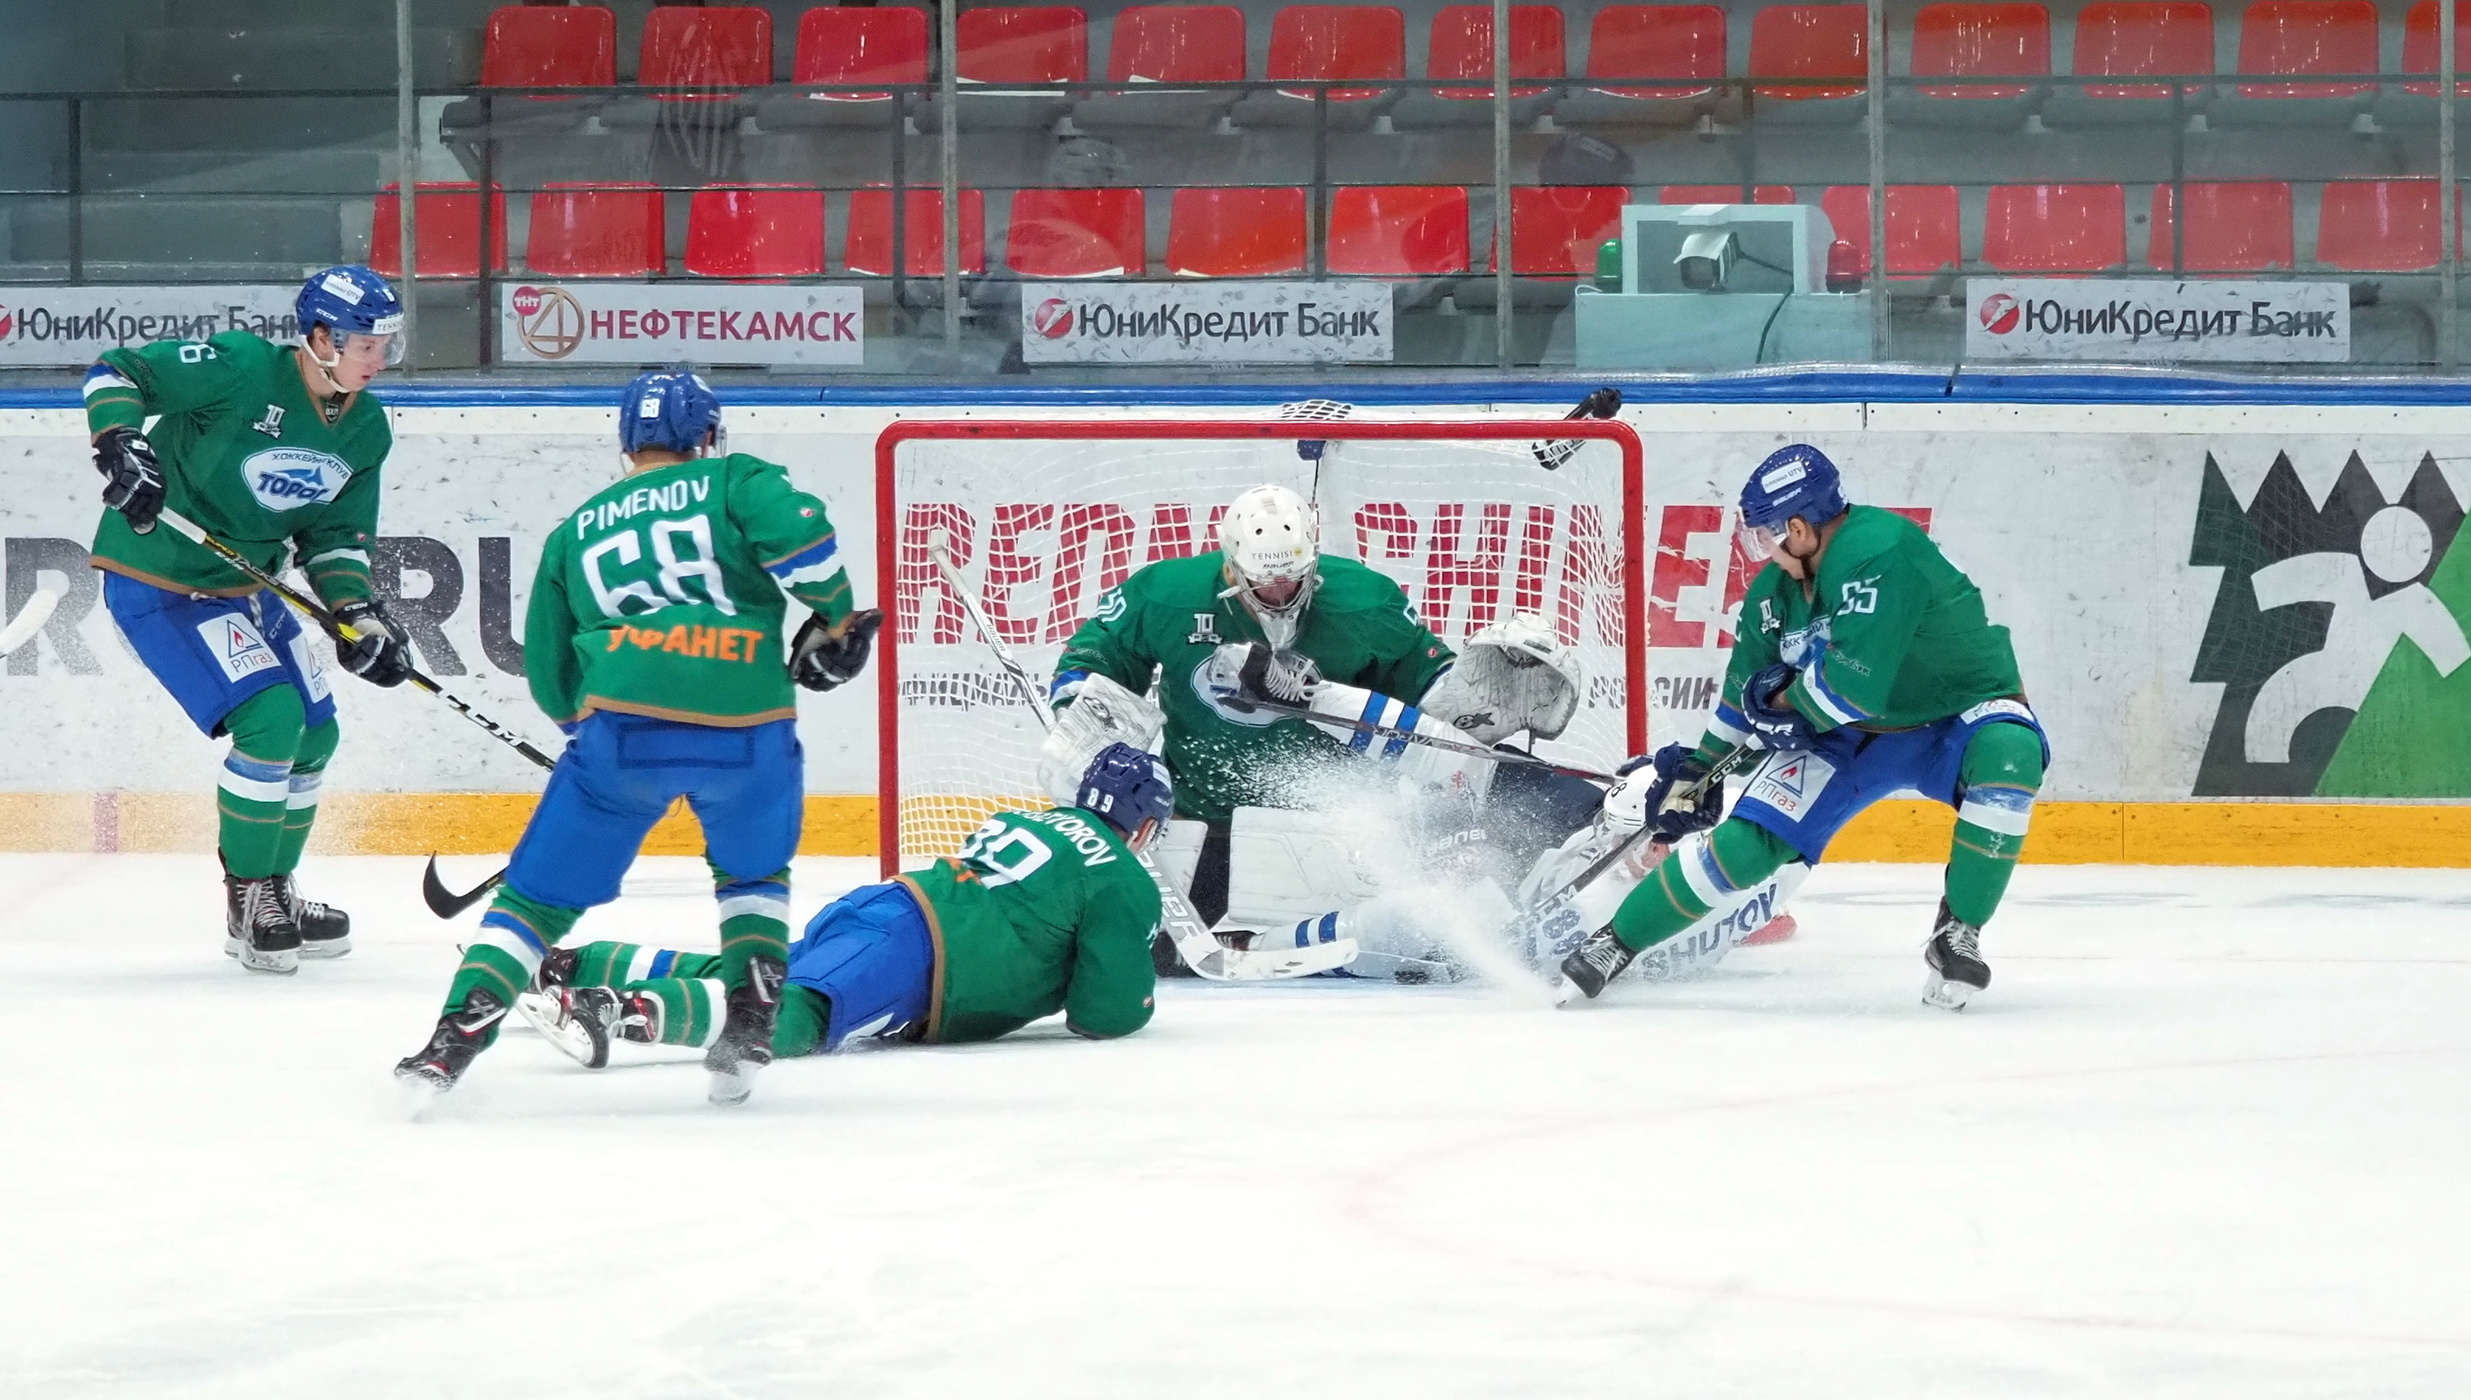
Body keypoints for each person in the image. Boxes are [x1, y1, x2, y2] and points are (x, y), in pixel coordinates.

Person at [392, 369, 882, 1107]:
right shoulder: (733, 480)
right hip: (747, 727)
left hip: (619, 733)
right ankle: (748, 1030)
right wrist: (837, 618)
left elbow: (552, 674)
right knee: (753, 876)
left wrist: (587, 739)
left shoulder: (574, 533)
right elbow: (804, 537)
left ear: (627, 446)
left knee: (533, 903)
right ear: (706, 436)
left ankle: (446, 1049)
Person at [1554, 443, 2046, 1010]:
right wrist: (1694, 780)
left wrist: (1783, 702)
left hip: (1955, 716)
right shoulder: (1773, 594)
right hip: (1846, 738)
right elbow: (1742, 698)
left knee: (2010, 753)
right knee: (1742, 848)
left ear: (1800, 528)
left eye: (1766, 535)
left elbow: (1851, 687)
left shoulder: (1879, 549)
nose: (1762, 551)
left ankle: (1958, 929)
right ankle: (1613, 944)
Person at [1048, 482, 1603, 975]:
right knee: (1163, 960)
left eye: (1294, 577)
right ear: (1231, 568)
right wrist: (1092, 736)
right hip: (1200, 819)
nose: (1282, 593)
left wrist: (1483, 699)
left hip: (1334, 832)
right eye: (1265, 582)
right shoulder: (1164, 593)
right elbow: (1092, 660)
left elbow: (1433, 704)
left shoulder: (1366, 600)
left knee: (1389, 948)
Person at [82, 264, 414, 975]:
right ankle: (249, 897)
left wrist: (355, 613)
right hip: (163, 581)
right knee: (271, 718)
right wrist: (121, 441)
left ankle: (278, 892)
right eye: (367, 344)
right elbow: (118, 371)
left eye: (388, 344)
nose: (380, 359)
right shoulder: (238, 367)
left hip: (248, 586)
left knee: (317, 730)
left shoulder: (366, 428)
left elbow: (336, 538)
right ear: (320, 337)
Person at [518, 743, 1172, 1066]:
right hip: (922, 953)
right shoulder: (1124, 880)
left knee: (745, 981)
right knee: (794, 1018)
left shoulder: (1036, 820)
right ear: (1144, 827)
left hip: (888, 905)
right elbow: (1103, 1014)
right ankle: (617, 1011)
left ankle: (574, 965)